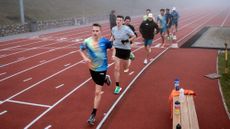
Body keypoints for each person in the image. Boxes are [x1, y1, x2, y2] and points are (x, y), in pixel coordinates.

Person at [79, 23, 112, 125]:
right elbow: (80, 50)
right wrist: (84, 57)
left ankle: (93, 114)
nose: (95, 33)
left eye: (97, 31)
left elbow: (112, 47)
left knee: (97, 92)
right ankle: (106, 78)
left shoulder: (105, 41)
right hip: (92, 68)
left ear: (100, 31)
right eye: (93, 31)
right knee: (96, 81)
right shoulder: (87, 41)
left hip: (102, 68)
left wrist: (114, 54)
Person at [111, 15, 136, 94]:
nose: (118, 21)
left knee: (125, 68)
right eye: (117, 20)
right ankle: (117, 86)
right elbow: (112, 37)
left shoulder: (126, 29)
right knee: (116, 68)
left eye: (120, 20)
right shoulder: (113, 29)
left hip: (125, 49)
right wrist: (108, 42)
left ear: (122, 21)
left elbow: (134, 36)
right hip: (117, 49)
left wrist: (127, 41)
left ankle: (129, 58)